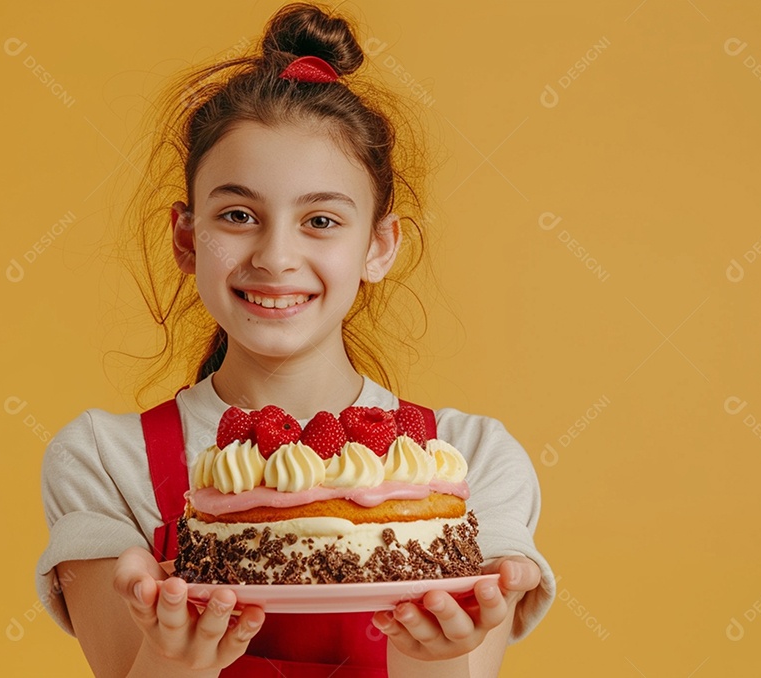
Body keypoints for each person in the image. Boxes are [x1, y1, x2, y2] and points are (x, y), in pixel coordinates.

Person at [35, 3, 555, 676]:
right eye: (240, 214)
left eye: (320, 219)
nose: (276, 256)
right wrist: (172, 658)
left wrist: (432, 653)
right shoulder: (105, 461)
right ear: (188, 238)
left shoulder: (469, 465)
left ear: (378, 246)